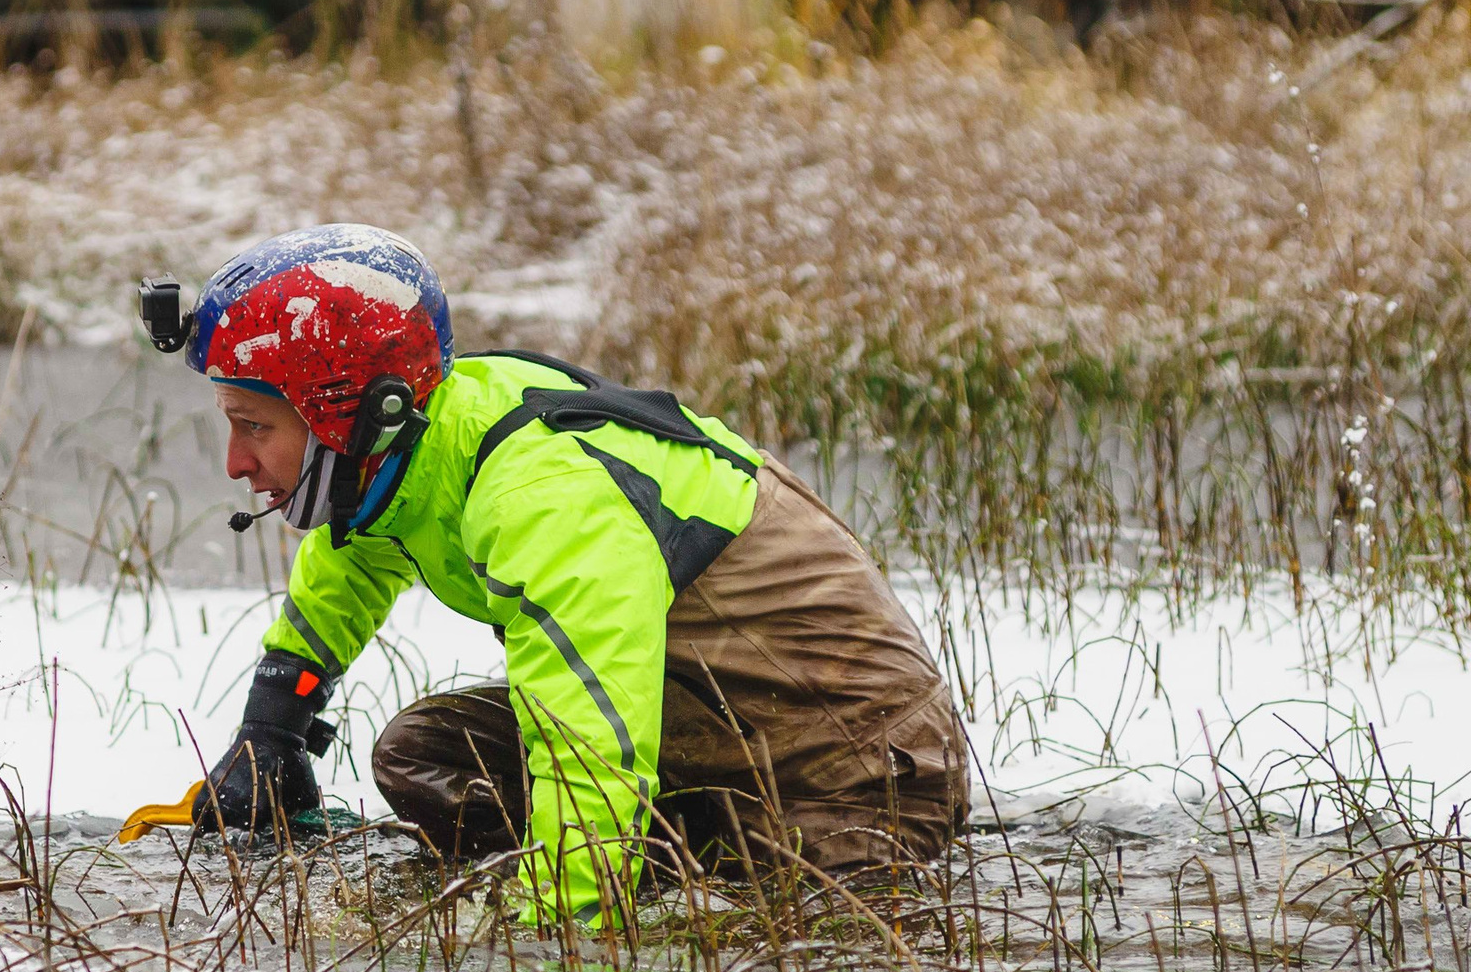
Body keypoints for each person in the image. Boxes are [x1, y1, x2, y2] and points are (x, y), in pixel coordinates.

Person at [137, 223, 970, 922]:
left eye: (254, 425)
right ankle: (674, 845)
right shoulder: (418, 443)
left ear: (352, 414)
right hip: (713, 726)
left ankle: (675, 861)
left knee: (732, 896)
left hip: (861, 773)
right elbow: (354, 556)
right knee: (422, 755)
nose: (236, 460)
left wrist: (550, 937)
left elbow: (586, 731)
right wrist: (274, 726)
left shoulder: (543, 496)